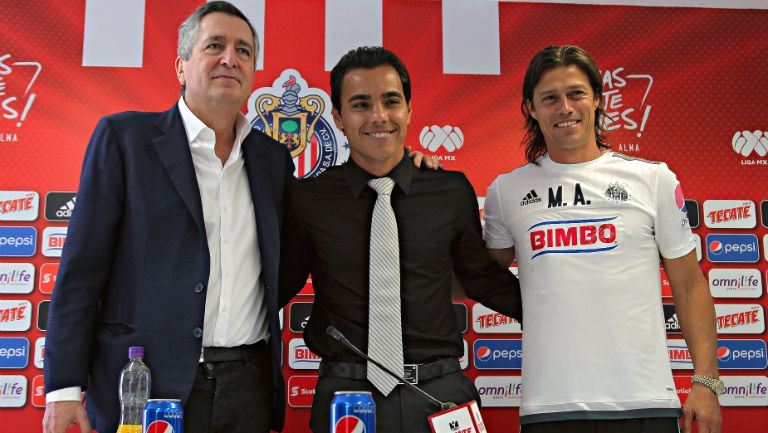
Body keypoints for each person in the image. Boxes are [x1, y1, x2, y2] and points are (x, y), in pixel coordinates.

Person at [42, 3, 291, 433]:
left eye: (244, 51)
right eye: (215, 45)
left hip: (247, 390)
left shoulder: (273, 160)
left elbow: (288, 259)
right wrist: (63, 391)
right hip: (145, 383)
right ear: (181, 65)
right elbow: (81, 271)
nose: (231, 58)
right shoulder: (125, 140)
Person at [278, 46, 523, 433]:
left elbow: (482, 277)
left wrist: (560, 315)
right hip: (347, 393)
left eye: (391, 101)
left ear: (408, 109)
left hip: (441, 393)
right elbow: (277, 285)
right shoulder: (309, 199)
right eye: (360, 104)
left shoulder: (451, 189)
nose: (378, 116)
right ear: (338, 118)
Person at [483, 45, 722, 433]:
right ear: (531, 108)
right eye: (550, 98)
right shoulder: (506, 191)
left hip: (645, 402)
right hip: (550, 405)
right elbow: (481, 277)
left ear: (597, 99)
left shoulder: (653, 180)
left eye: (576, 93)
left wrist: (706, 383)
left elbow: (690, 286)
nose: (565, 108)